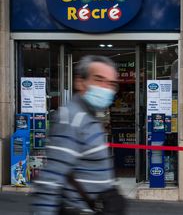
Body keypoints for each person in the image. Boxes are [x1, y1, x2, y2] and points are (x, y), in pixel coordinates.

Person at [32, 55, 125, 214]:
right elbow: (50, 181)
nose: (105, 88)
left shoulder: (88, 117)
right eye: (98, 80)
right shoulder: (71, 119)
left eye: (111, 83)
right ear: (80, 82)